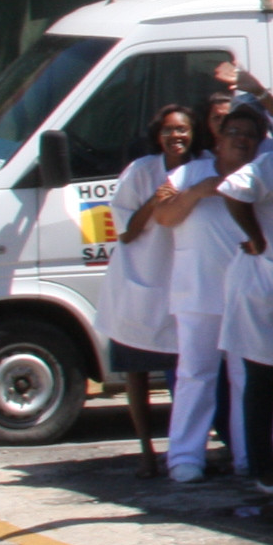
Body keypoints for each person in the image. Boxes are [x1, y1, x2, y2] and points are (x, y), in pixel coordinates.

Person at [150, 111, 263, 482]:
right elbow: (163, 216)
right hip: (197, 293)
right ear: (218, 137)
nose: (241, 140)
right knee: (195, 375)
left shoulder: (265, 175)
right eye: (234, 132)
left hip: (248, 296)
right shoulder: (188, 174)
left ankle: (252, 458)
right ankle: (185, 458)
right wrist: (201, 190)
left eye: (250, 134)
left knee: (248, 380)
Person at [212, 105, 273, 494]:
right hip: (260, 284)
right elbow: (233, 190)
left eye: (252, 134)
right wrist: (256, 237)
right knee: (262, 382)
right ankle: (263, 469)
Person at [101, 106, 196, 479]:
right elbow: (125, 230)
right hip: (141, 278)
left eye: (184, 130)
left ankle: (184, 451)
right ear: (159, 136)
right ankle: (146, 451)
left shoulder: (203, 168)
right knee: (136, 371)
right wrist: (155, 201)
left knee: (186, 374)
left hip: (185, 279)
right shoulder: (142, 171)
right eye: (170, 130)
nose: (177, 137)